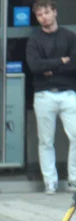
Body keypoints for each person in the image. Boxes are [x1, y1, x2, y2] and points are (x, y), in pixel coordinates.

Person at [26, 0, 76, 194]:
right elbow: (35, 67)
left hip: (69, 93)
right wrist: (61, 62)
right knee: (46, 140)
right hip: (44, 95)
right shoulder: (34, 40)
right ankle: (50, 182)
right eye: (39, 15)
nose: (43, 17)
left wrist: (50, 66)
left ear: (55, 12)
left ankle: (73, 178)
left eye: (46, 12)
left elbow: (74, 64)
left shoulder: (70, 37)